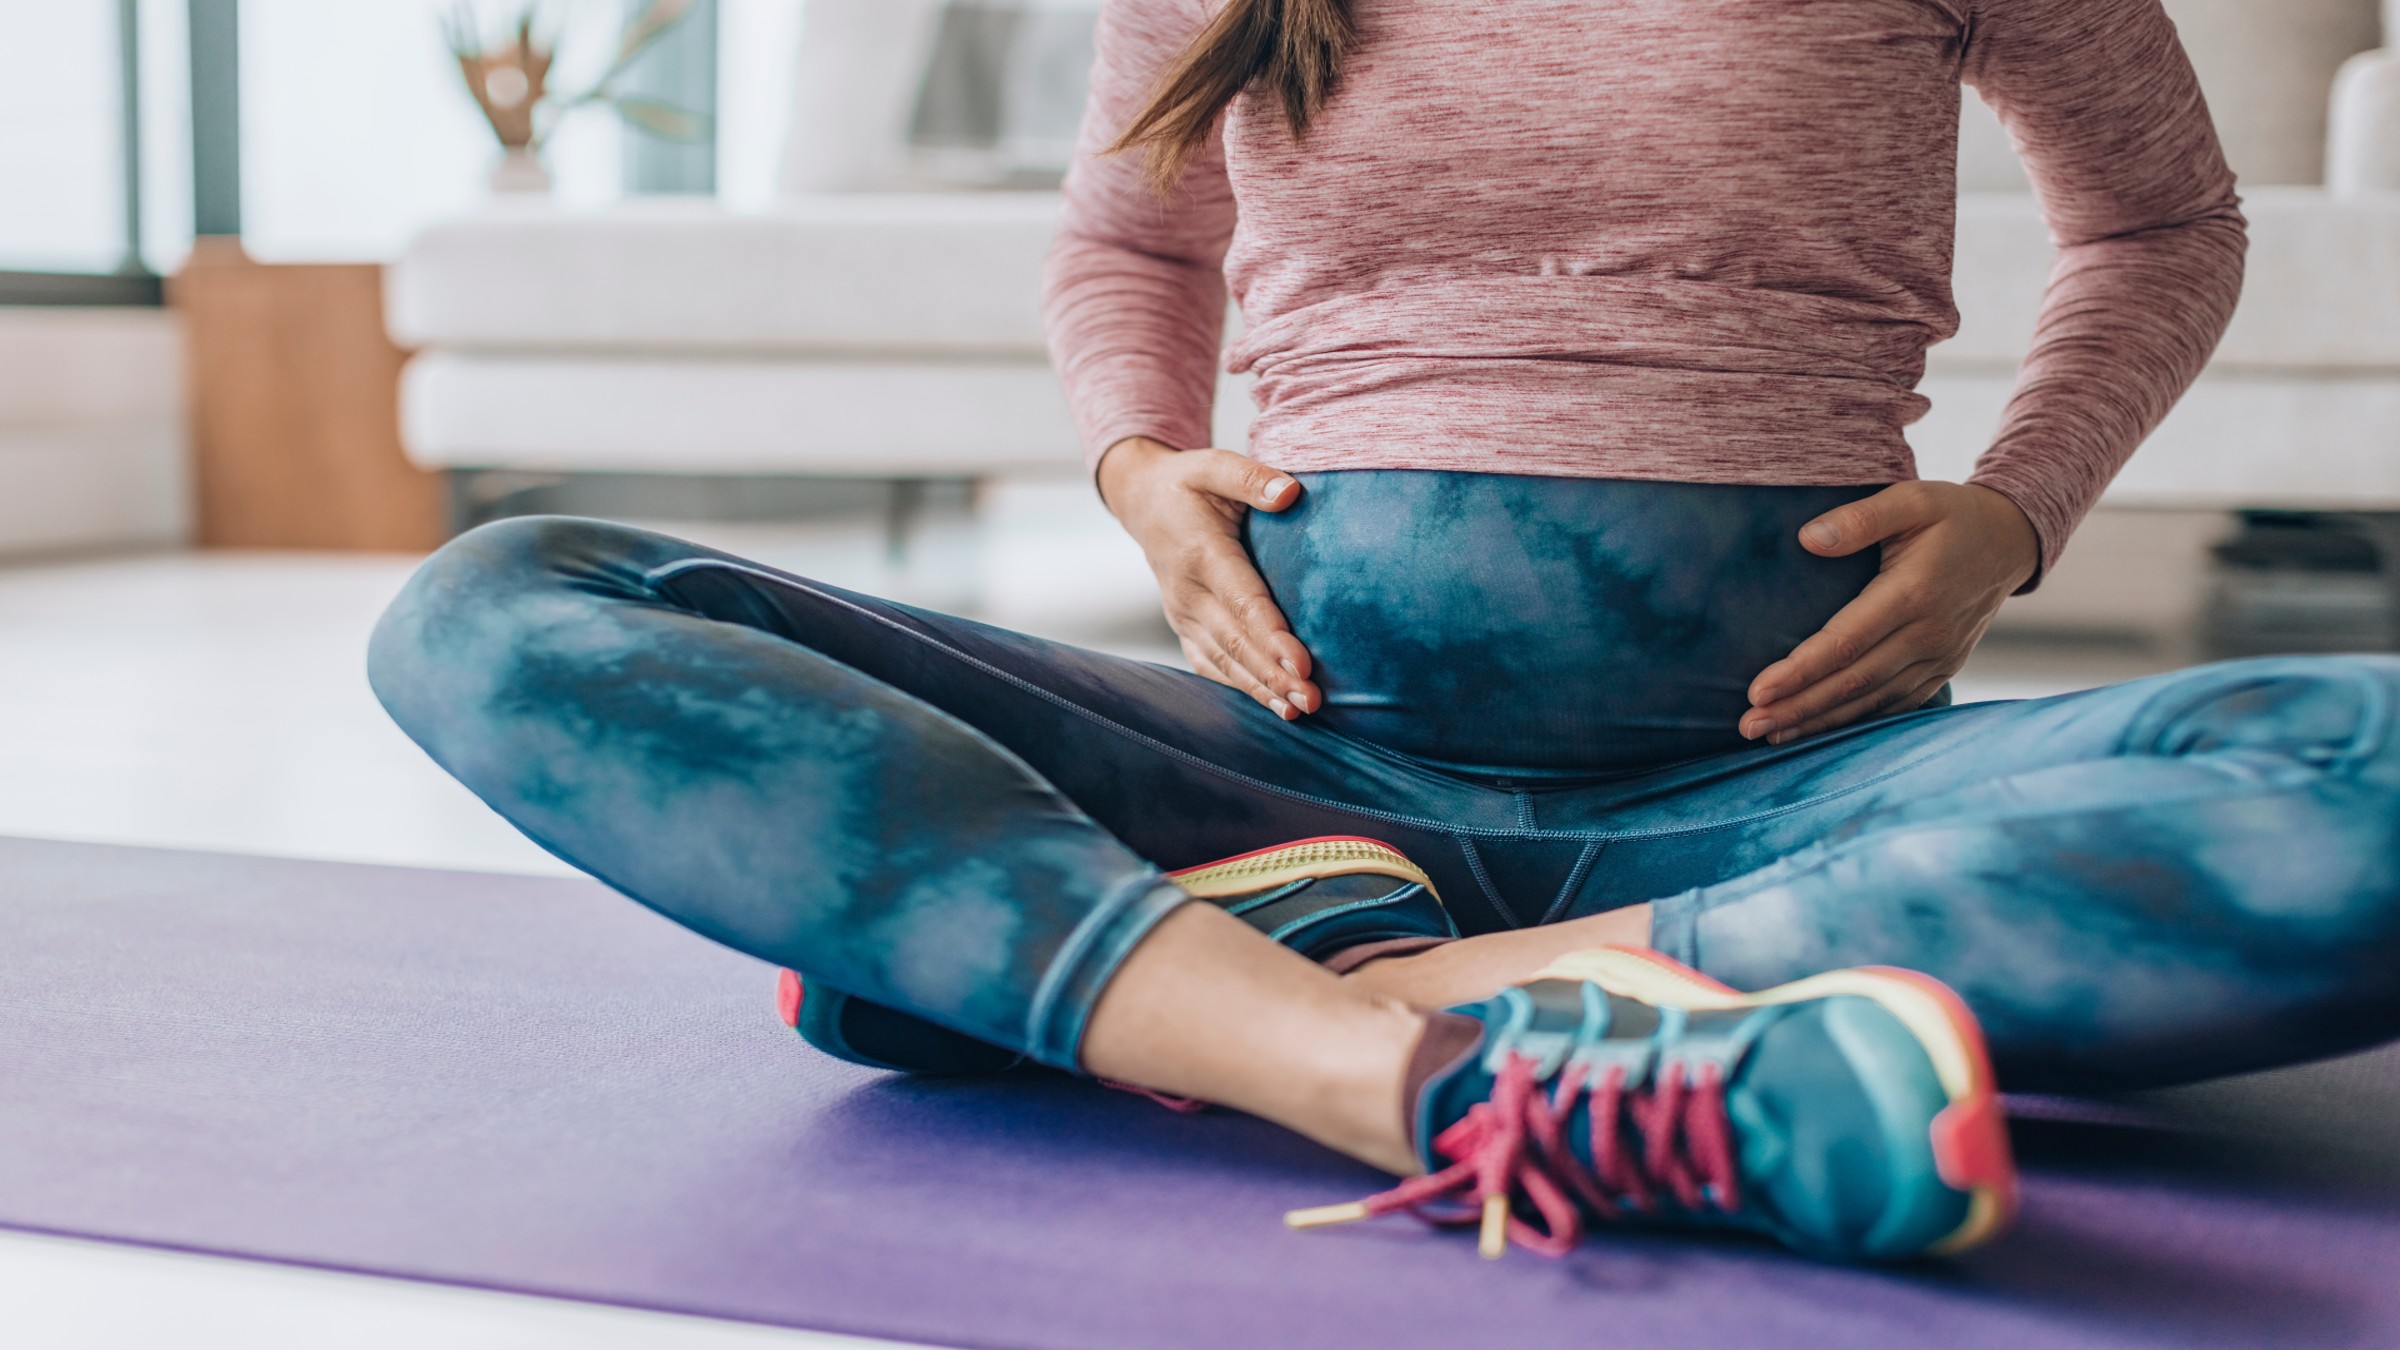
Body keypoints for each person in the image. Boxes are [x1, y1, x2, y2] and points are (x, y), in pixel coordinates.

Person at [369, 0, 2400, 1263]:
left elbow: (2165, 223)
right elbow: (1130, 232)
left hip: (1786, 807)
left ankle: (1233, 977)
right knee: (504, 604)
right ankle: (1390, 1068)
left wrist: (2017, 511)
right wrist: (1138, 462)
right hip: (1285, 767)